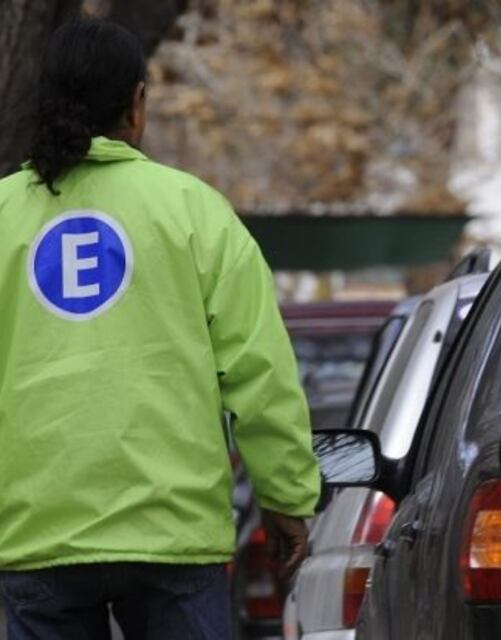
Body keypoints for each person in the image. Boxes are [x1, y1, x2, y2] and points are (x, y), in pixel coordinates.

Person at [0, 20, 321, 639]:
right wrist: (286, 497)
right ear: (137, 104)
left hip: (38, 533)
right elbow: (259, 372)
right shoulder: (193, 210)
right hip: (172, 534)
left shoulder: (6, 216)